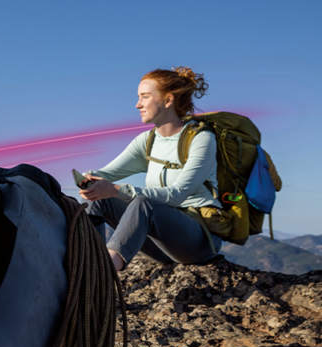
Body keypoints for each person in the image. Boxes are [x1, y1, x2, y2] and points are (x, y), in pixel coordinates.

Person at [79, 67, 222, 271]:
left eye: (145, 97)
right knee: (97, 197)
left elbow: (176, 195)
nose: (138, 104)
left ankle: (104, 271)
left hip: (197, 241)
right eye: (138, 97)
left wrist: (117, 190)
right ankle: (87, 261)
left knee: (143, 203)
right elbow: (107, 174)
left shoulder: (201, 139)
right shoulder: (147, 141)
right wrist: (89, 179)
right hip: (160, 244)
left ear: (168, 100)